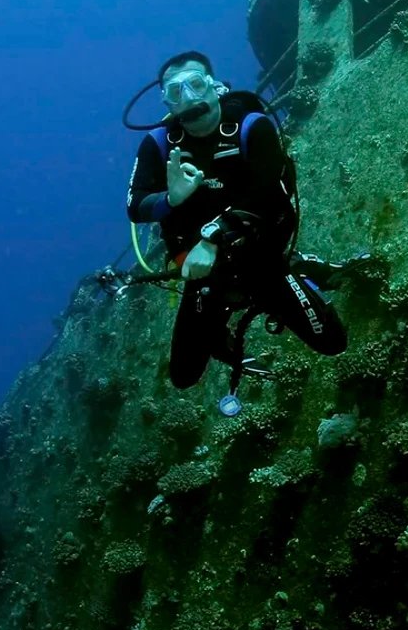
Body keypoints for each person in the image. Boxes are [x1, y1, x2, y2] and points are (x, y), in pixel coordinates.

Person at [126, 50, 347, 389]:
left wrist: (212, 238)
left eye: (196, 84)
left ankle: (301, 268)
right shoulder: (158, 145)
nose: (188, 97)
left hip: (261, 258)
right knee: (183, 376)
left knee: (333, 342)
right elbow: (135, 206)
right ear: (167, 104)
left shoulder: (250, 126)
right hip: (204, 273)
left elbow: (269, 194)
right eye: (175, 92)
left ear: (215, 87)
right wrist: (172, 199)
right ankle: (219, 336)